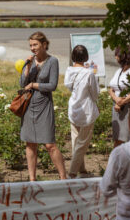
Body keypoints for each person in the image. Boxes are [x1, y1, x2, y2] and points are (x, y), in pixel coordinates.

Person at [20, 31, 67, 181]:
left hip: (44, 105)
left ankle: (63, 177)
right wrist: (26, 67)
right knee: (30, 144)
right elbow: (22, 84)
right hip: (28, 106)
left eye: (35, 45)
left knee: (49, 144)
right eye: (30, 45)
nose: (32, 48)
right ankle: (32, 179)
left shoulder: (52, 61)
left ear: (44, 45)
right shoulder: (30, 61)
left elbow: (52, 85)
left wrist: (34, 84)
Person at [64, 45, 99, 179]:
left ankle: (82, 170)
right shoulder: (89, 73)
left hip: (73, 108)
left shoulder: (69, 71)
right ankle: (72, 173)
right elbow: (95, 94)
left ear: (73, 57)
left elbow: (68, 87)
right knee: (82, 143)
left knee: (76, 141)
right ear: (86, 57)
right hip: (86, 110)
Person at [108, 46, 130, 148]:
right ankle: (118, 161)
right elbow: (111, 88)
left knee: (129, 137)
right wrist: (116, 99)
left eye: (117, 55)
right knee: (118, 137)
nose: (115, 57)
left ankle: (128, 160)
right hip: (118, 107)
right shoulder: (120, 70)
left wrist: (122, 102)